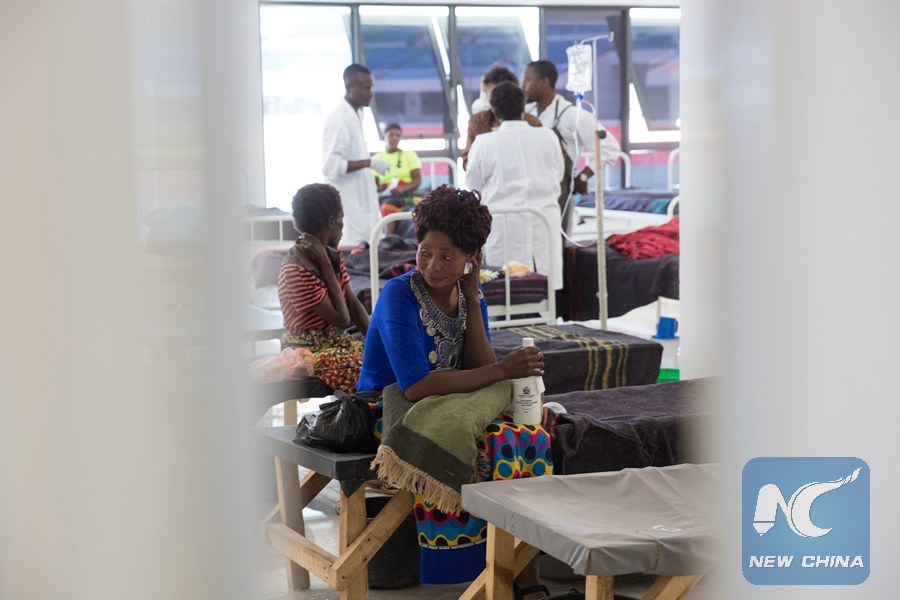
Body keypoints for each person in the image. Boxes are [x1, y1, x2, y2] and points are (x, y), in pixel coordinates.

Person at [356, 186, 551, 598]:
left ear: (471, 258)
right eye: (425, 252)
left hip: (444, 403)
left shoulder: (468, 295)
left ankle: (520, 571)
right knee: (495, 442)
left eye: (448, 257)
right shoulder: (398, 295)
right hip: (385, 413)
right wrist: (504, 370)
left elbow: (480, 368)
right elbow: (415, 387)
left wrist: (473, 296)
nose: (432, 265)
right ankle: (482, 569)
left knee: (529, 435)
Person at [466, 82, 565, 290]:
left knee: (507, 292)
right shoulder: (548, 136)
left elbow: (473, 188)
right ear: (523, 107)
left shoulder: (483, 143)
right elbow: (558, 175)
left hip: (504, 227)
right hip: (545, 221)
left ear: (494, 110)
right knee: (546, 291)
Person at [278, 183, 369, 393]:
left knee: (385, 357)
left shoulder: (331, 251)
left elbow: (352, 303)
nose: (343, 227)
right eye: (341, 220)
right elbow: (342, 319)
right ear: (331, 222)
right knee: (366, 368)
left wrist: (378, 342)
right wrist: (327, 266)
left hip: (333, 341)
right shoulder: (296, 269)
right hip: (304, 351)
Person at [522, 59, 622, 231]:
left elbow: (609, 147)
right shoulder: (526, 114)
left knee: (555, 240)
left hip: (557, 193)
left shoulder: (570, 115)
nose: (523, 85)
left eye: (528, 80)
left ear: (544, 82)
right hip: (529, 191)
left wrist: (584, 176)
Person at [322, 64, 391, 246]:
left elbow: (352, 157)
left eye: (371, 87)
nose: (371, 93)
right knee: (354, 253)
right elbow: (330, 166)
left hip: (362, 208)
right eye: (365, 88)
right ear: (349, 87)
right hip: (350, 211)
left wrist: (368, 176)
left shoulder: (357, 115)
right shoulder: (340, 120)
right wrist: (369, 163)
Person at [461, 65, 543, 170]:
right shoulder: (478, 121)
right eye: (493, 94)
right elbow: (467, 163)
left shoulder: (532, 122)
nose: (499, 99)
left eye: (505, 94)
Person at [370, 123, 422, 234]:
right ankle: (389, 239)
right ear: (383, 137)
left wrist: (401, 189)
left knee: (388, 206)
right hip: (384, 196)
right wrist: (383, 191)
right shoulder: (376, 159)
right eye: (391, 135)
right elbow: (373, 184)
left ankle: (389, 239)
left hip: (405, 195)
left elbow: (417, 181)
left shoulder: (410, 156)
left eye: (398, 136)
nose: (395, 138)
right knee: (385, 205)